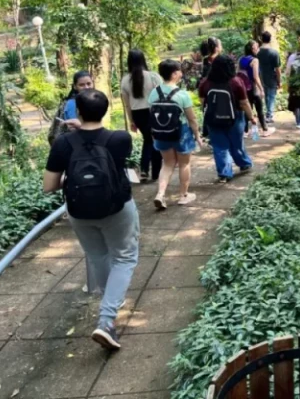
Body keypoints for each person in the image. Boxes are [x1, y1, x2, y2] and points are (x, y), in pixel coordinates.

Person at [43, 89, 137, 351]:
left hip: (79, 211)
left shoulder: (63, 143)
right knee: (125, 257)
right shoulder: (119, 138)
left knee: (98, 257)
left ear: (79, 112)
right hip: (116, 208)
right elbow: (106, 145)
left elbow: (49, 185)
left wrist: (73, 178)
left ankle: (109, 307)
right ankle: (106, 320)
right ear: (106, 110)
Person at [148, 59, 204, 209]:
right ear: (174, 74)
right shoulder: (182, 95)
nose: (181, 73)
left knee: (167, 164)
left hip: (161, 133)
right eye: (179, 70)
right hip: (181, 133)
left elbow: (151, 115)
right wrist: (197, 135)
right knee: (184, 164)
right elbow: (192, 118)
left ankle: (160, 194)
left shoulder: (154, 92)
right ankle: (183, 195)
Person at [199, 56, 256, 182]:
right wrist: (251, 117)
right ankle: (244, 164)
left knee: (219, 146)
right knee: (236, 143)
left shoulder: (205, 82)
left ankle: (224, 173)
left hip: (213, 118)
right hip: (235, 116)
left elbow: (203, 102)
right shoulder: (236, 81)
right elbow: (244, 102)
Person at [121, 50, 163, 182]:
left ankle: (144, 170)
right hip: (154, 111)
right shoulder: (153, 76)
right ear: (143, 60)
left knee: (148, 140)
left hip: (137, 114)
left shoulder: (125, 80)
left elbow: (127, 104)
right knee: (155, 140)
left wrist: (131, 121)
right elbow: (162, 96)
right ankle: (155, 173)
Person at [239, 40, 275, 137]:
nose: (258, 49)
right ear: (252, 49)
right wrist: (261, 89)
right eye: (257, 47)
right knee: (259, 109)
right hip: (253, 87)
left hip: (244, 88)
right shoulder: (255, 60)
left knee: (248, 109)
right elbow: (255, 76)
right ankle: (265, 129)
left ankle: (245, 131)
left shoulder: (241, 59)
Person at [48, 71, 94, 144]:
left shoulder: (93, 101)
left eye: (89, 84)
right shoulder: (72, 104)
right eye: (82, 85)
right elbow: (75, 129)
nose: (86, 87)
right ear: (75, 86)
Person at [255, 31, 281, 124]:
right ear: (270, 39)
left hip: (260, 76)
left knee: (266, 95)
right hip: (271, 77)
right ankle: (269, 115)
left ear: (261, 39)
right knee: (271, 96)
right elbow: (277, 69)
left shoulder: (257, 52)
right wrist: (279, 80)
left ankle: (267, 114)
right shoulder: (274, 53)